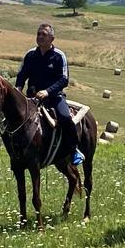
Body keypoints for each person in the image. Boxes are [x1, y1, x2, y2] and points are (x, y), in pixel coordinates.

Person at [15, 21, 85, 167]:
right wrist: (18, 90)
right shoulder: (30, 55)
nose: (40, 37)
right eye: (38, 34)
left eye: (44, 35)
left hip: (54, 98)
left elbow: (64, 79)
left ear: (52, 39)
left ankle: (74, 150)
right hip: (32, 98)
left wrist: (47, 91)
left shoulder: (59, 56)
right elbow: (22, 75)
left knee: (66, 118)